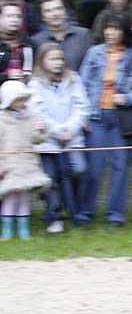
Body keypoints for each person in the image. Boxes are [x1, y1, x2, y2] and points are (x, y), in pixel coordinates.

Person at [79, 12, 132, 226]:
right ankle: (85, 213)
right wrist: (84, 115)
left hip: (121, 120)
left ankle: (115, 216)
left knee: (120, 169)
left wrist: (128, 98)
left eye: (116, 28)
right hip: (96, 117)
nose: (110, 32)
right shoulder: (94, 53)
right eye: (108, 28)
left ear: (124, 32)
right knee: (93, 169)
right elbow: (82, 84)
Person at [27, 43, 90, 234]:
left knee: (79, 170)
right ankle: (54, 217)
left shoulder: (74, 79)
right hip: (47, 141)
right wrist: (57, 132)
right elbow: (36, 112)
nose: (58, 63)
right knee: (51, 179)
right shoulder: (34, 84)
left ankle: (74, 209)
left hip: (72, 138)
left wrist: (69, 130)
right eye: (53, 59)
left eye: (61, 59)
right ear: (42, 61)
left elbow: (82, 107)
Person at [0, 80, 50, 241]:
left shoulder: (29, 117)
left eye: (23, 99)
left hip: (27, 164)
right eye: (18, 100)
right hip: (9, 164)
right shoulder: (1, 120)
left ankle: (23, 230)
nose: (22, 103)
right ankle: (7, 231)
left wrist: (41, 129)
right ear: (8, 101)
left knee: (23, 198)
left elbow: (36, 139)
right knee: (10, 197)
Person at [30, 0, 91, 72]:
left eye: (58, 8)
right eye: (48, 11)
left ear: (65, 11)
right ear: (42, 17)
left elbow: (92, 65)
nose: (55, 14)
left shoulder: (83, 34)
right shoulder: (36, 40)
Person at [0, 2, 33, 85]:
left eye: (19, 16)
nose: (15, 20)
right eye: (9, 16)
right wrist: (6, 76)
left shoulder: (30, 44)